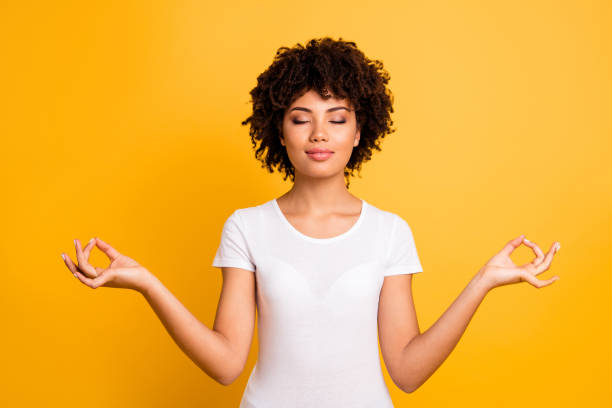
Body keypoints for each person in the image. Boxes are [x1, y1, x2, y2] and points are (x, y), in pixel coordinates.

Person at [61, 37, 561, 407]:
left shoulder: (390, 231)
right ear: (278, 130)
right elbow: (226, 364)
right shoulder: (246, 227)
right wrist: (146, 283)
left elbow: (407, 371)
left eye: (337, 118)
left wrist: (484, 282)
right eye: (301, 118)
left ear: (360, 129)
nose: (319, 133)